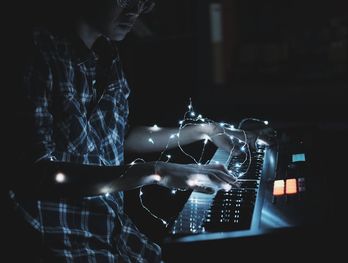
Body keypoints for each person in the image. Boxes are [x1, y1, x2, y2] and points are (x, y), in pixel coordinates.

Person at [6, 0, 275, 262]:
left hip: (113, 233)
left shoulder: (107, 56)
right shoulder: (35, 53)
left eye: (144, 2)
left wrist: (203, 130)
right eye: (126, 0)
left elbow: (120, 138)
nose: (135, 11)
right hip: (58, 242)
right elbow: (37, 173)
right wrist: (157, 172)